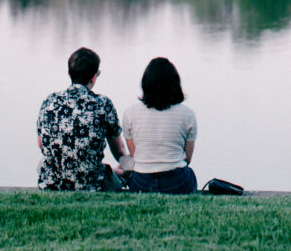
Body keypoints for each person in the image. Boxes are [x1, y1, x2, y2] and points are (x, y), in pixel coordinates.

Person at [36, 46, 130, 191]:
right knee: (121, 173)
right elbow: (119, 151)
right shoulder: (103, 104)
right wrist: (131, 167)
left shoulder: (49, 101)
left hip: (52, 184)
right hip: (90, 185)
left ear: (69, 74)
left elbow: (42, 144)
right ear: (93, 77)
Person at [122, 57, 197, 194]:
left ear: (145, 83)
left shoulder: (130, 113)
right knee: (189, 173)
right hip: (177, 181)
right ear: (175, 84)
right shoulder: (188, 114)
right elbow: (187, 158)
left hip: (141, 182)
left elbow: (135, 155)